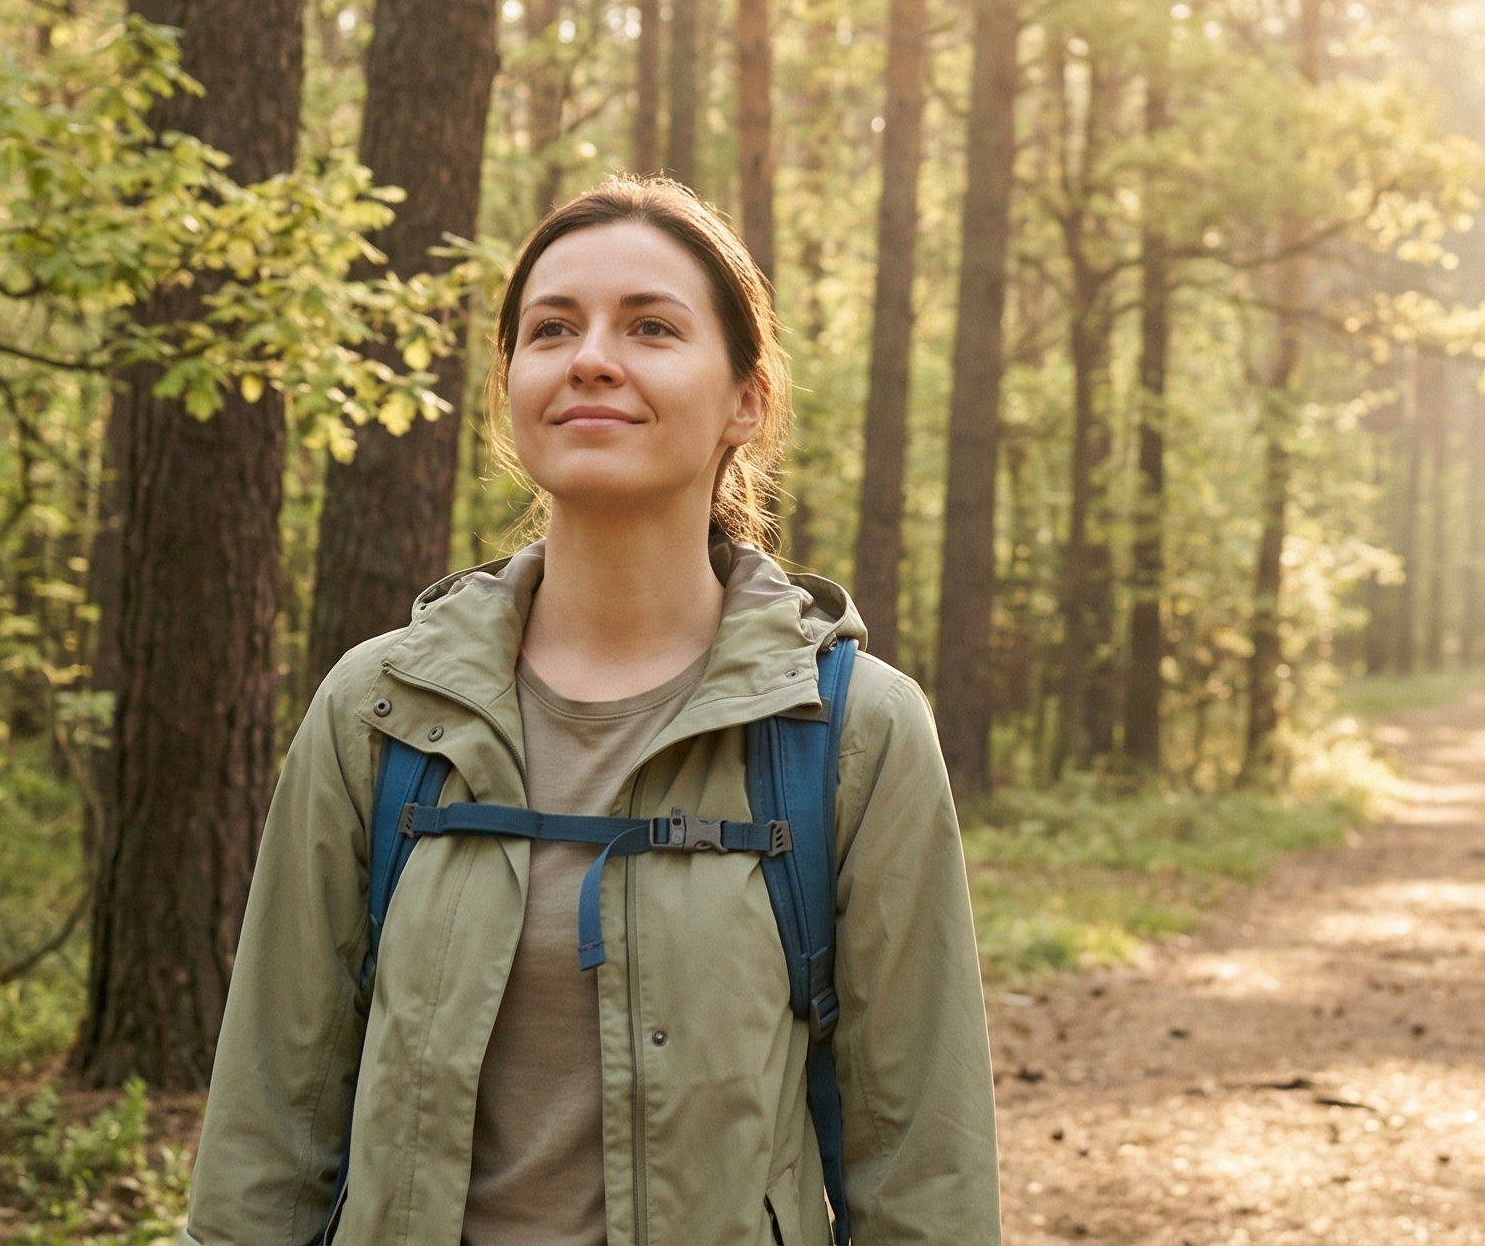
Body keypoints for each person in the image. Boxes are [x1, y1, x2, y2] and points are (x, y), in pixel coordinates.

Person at [181, 179, 1002, 1246]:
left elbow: (922, 1165)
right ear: (512, 381)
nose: (591, 358)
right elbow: (267, 1133)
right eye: (552, 329)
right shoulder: (379, 712)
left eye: (651, 327)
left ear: (745, 401)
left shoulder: (851, 731)